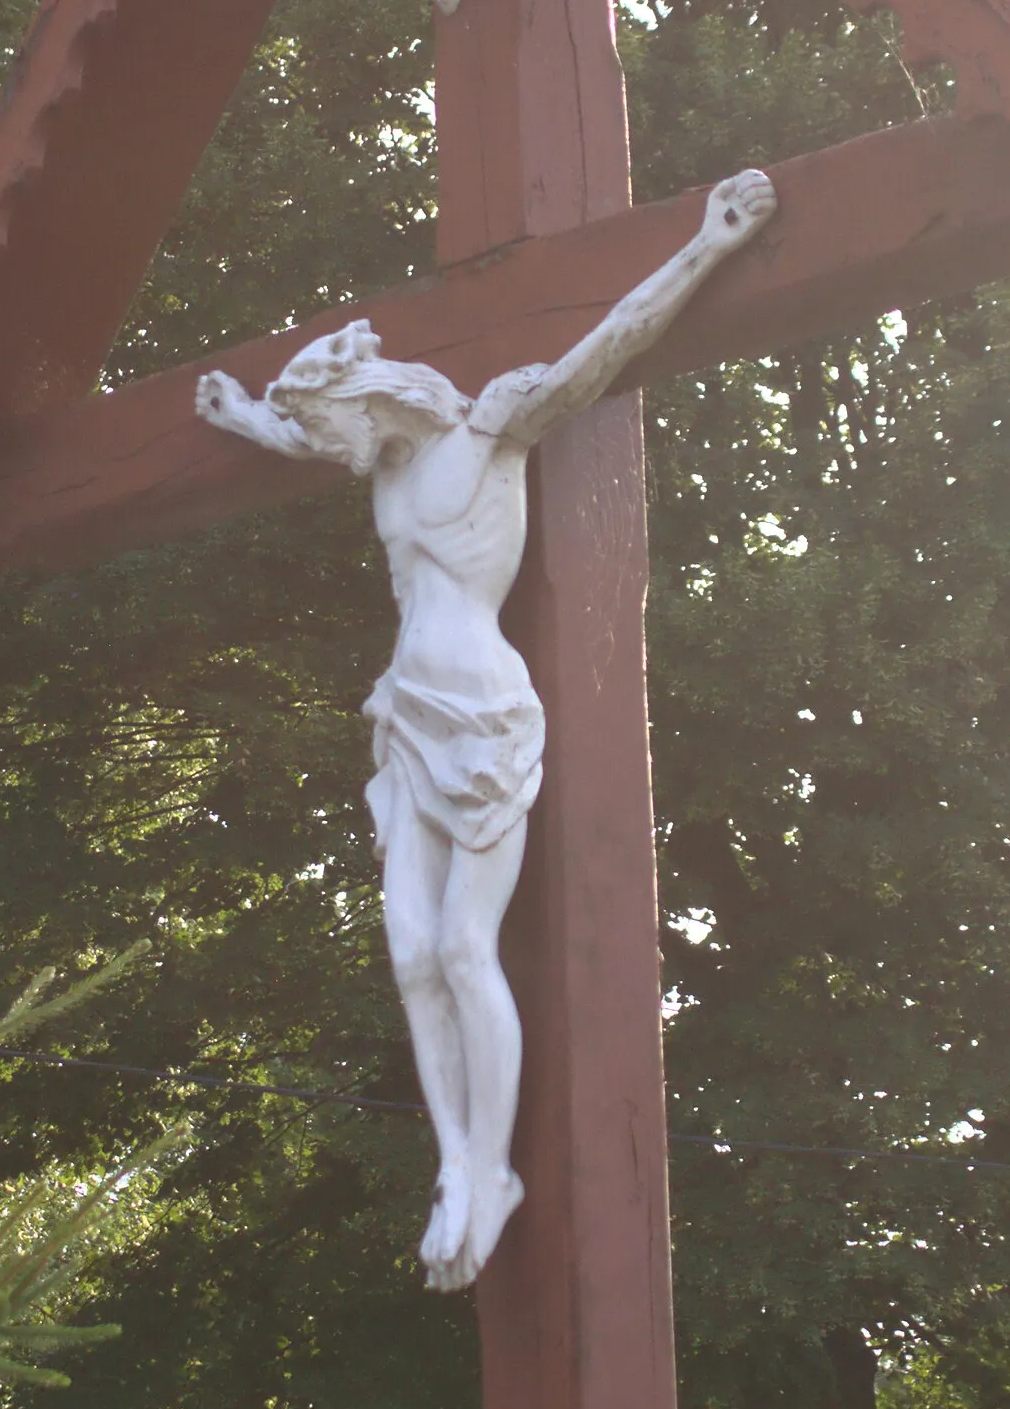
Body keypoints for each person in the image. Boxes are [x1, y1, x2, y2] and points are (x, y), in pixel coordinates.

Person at [197, 167, 777, 1289]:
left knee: (466, 945)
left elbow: (607, 345)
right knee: (408, 951)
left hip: (482, 713)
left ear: (372, 402)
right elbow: (310, 440)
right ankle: (453, 1161)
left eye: (332, 424)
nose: (328, 445)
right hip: (403, 714)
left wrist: (707, 244)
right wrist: (250, 423)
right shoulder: (382, 467)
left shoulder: (496, 423)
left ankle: (487, 1165)